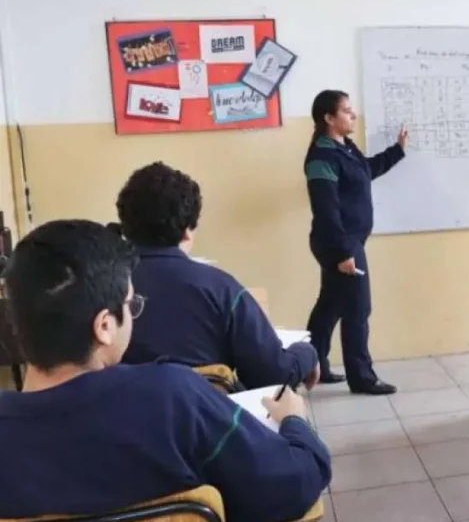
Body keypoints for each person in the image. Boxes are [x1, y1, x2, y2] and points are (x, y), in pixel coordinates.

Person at [0, 220, 332, 522]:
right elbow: (295, 487)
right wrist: (294, 422)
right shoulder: (170, 396)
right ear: (104, 326)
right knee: (254, 509)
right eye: (131, 305)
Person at [119, 162, 319, 391]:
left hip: (113, 412)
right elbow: (272, 375)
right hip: (203, 412)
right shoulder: (221, 289)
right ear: (188, 230)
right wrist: (306, 353)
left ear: (126, 226)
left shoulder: (98, 288)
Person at [304, 89, 407, 394]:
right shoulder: (321, 157)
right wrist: (343, 252)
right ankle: (362, 377)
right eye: (346, 111)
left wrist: (397, 151)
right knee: (358, 309)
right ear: (328, 118)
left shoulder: (345, 148)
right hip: (340, 243)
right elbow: (326, 209)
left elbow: (366, 171)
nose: (353, 115)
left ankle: (313, 366)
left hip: (346, 242)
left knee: (330, 305)